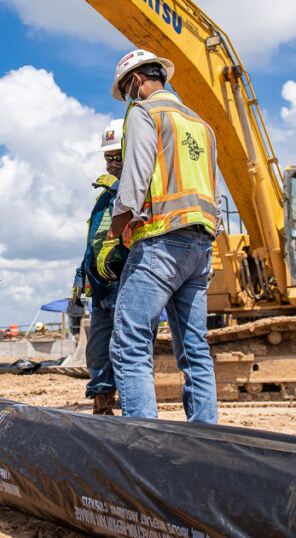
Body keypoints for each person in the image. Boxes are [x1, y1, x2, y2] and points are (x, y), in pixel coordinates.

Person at [98, 49, 219, 424]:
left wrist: (116, 233)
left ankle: (143, 439)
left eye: (126, 91)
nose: (128, 98)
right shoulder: (202, 125)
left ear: (135, 80)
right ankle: (206, 437)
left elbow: (133, 182)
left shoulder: (144, 113)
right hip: (201, 246)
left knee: (130, 343)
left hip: (160, 241)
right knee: (195, 348)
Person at [71, 118, 128, 415]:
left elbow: (137, 210)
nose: (112, 163)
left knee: (126, 349)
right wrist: (81, 275)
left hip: (125, 281)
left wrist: (119, 188)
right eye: (109, 157)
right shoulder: (102, 198)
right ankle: (102, 409)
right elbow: (94, 238)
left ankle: (134, 413)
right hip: (101, 286)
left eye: (118, 157)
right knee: (97, 352)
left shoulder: (140, 185)